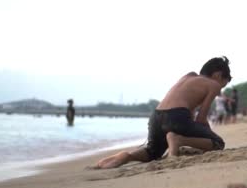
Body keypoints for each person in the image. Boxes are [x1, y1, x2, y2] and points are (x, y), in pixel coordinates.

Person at [94, 57, 231, 169]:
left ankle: (128, 156)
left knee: (153, 152)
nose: (220, 89)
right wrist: (206, 136)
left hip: (156, 116)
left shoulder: (189, 76)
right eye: (222, 84)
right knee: (218, 143)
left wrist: (194, 131)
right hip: (177, 116)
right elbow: (201, 118)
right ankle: (178, 140)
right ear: (218, 75)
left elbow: (189, 113)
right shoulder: (213, 85)